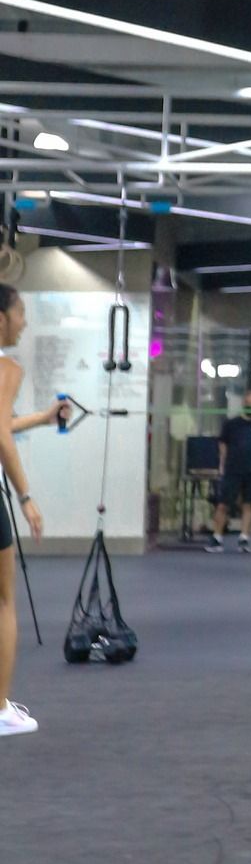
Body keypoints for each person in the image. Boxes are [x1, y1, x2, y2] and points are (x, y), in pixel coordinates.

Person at [0, 284, 68, 738]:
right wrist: (26, 496)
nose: (24, 321)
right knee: (4, 601)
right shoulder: (7, 367)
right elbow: (0, 435)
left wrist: (42, 419)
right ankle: (1, 708)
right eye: (21, 311)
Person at [210, 387, 251, 553]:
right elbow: (222, 445)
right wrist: (222, 465)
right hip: (232, 469)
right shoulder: (231, 424)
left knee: (248, 504)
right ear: (244, 403)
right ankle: (217, 537)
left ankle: (244, 538)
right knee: (223, 504)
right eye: (249, 403)